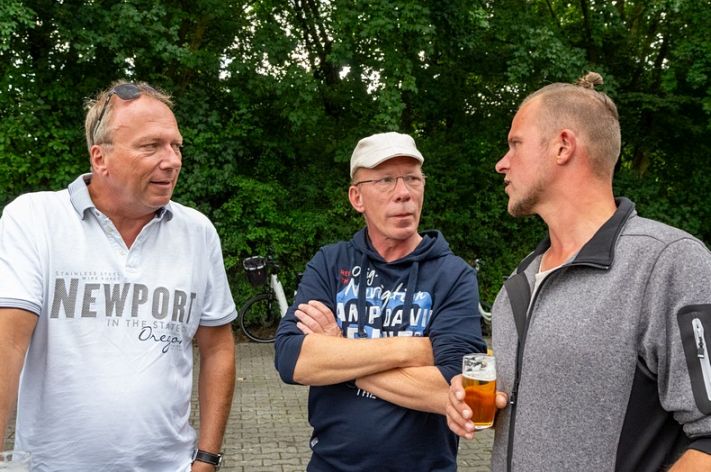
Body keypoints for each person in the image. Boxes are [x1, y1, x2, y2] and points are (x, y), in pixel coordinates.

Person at [445, 72, 711, 471]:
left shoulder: (668, 263)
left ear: (563, 146)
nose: (501, 163)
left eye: (515, 144)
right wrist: (474, 401)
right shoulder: (518, 282)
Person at [0, 81, 237, 471]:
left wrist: (207, 458)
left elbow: (218, 348)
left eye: (176, 146)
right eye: (151, 146)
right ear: (100, 157)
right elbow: (7, 346)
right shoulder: (35, 219)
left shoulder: (197, 232)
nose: (172, 160)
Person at [274, 131, 486, 470]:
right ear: (357, 197)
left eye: (412, 179)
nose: (404, 193)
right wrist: (412, 349)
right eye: (386, 180)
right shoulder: (331, 263)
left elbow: (452, 390)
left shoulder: (453, 275)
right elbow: (291, 360)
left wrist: (339, 352)